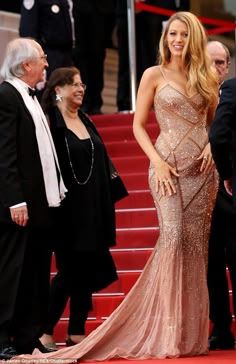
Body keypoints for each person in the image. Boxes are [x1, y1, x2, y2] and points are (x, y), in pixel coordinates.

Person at [15, 12, 219, 362]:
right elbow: (139, 125)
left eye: (184, 34)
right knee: (172, 240)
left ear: (194, 37)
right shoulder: (153, 75)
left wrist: (212, 146)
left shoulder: (206, 76)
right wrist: (156, 160)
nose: (178, 40)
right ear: (165, 37)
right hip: (166, 167)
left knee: (196, 248)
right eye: (173, 33)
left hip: (203, 174)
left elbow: (215, 122)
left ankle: (190, 334)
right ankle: (166, 332)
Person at [36, 67, 127, 350]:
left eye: (82, 83)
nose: (81, 88)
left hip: (93, 207)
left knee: (85, 270)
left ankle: (76, 330)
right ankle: (44, 330)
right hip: (66, 210)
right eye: (73, 84)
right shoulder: (50, 123)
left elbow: (101, 160)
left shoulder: (86, 119)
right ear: (58, 90)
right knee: (69, 270)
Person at [0, 37, 67, 360]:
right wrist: (15, 200)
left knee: (36, 272)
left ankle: (27, 335)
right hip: (19, 204)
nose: (46, 63)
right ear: (26, 65)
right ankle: (2, 337)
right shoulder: (6, 96)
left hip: (41, 203)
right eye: (41, 58)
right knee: (12, 271)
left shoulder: (32, 97)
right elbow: (4, 154)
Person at [206, 41, 235, 350]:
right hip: (201, 192)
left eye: (221, 62)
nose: (216, 67)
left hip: (228, 186)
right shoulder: (189, 95)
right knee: (212, 262)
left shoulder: (231, 92)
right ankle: (221, 326)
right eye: (211, 61)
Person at [116, 0, 190, 112]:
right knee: (126, 60)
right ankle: (125, 103)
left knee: (154, 58)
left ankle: (155, 102)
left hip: (156, 12)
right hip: (128, 11)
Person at [72, 0, 116, 115]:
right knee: (81, 56)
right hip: (79, 9)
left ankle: (96, 102)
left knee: (98, 57)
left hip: (103, 11)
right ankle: (83, 100)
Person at [19, 0, 74, 79]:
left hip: (67, 55)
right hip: (47, 54)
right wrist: (37, 62)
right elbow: (28, 33)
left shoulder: (65, 1)